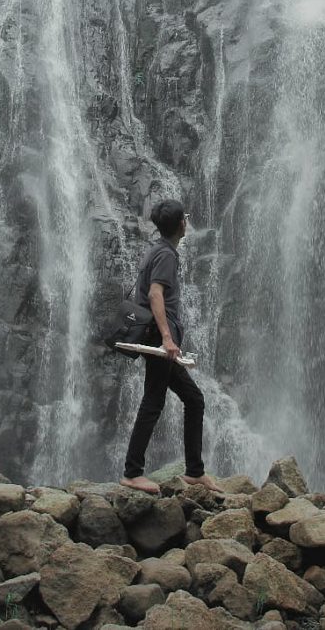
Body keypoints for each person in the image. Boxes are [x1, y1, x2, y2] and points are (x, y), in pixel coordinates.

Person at [120, 199, 222, 495]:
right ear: (181, 224)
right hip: (158, 338)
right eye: (185, 218)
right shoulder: (166, 255)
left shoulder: (157, 250)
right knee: (153, 401)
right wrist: (167, 337)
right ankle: (132, 472)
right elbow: (154, 294)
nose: (186, 222)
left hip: (158, 338)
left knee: (194, 398)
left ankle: (194, 472)